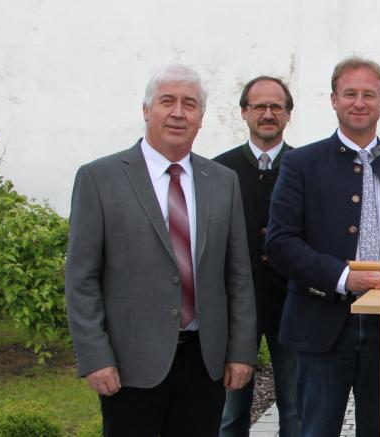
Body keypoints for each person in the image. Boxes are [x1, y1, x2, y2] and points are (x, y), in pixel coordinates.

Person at [64, 64, 257, 437]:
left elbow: (237, 276)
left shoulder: (222, 182)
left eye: (190, 104)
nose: (178, 112)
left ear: (201, 118)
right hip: (130, 364)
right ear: (146, 110)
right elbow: (82, 277)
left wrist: (241, 350)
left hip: (205, 362)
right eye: (167, 101)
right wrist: (95, 356)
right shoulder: (99, 179)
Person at [264, 56, 380, 437]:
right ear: (333, 100)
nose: (359, 102)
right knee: (316, 430)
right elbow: (280, 241)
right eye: (350, 94)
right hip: (322, 323)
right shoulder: (300, 163)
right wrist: (345, 277)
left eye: (369, 95)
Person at [214, 76, 300, 437]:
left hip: (291, 305)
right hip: (235, 309)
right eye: (259, 106)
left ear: (288, 114)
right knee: (231, 413)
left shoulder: (304, 166)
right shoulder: (219, 170)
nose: (268, 114)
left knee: (295, 410)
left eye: (276, 107)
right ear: (244, 112)